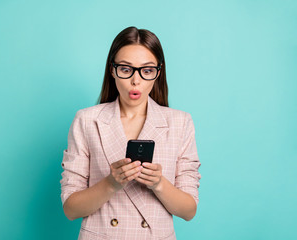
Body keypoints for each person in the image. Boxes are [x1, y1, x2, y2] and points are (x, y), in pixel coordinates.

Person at [60, 26, 201, 240]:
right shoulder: (87, 120)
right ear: (112, 70)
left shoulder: (180, 123)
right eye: (126, 69)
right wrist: (111, 183)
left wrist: (159, 184)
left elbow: (189, 211)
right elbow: (71, 209)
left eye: (146, 70)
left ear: (158, 73)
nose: (136, 81)